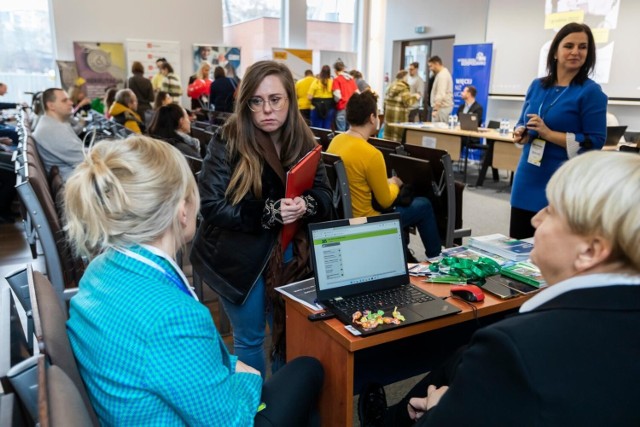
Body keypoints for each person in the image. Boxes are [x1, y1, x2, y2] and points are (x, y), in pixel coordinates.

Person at [64, 136, 324, 426]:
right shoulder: (172, 316)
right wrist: (248, 377)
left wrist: (230, 364)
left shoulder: (99, 269)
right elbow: (232, 420)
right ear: (182, 210)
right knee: (308, 369)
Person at [375, 151, 640, 426]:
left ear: (590, 250)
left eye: (551, 211)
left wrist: (438, 410)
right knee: (457, 358)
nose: (536, 219)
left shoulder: (514, 348)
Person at [191, 60, 334, 377]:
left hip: (289, 252)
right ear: (246, 103)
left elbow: (325, 194)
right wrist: (270, 211)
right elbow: (211, 205)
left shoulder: (303, 139)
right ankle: (256, 410)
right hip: (239, 256)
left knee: (289, 334)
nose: (266, 110)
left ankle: (284, 403)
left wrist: (305, 204)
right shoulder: (228, 139)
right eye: (257, 101)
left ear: (290, 100)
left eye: (275, 100)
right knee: (251, 338)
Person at [510, 22, 607, 239]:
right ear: (555, 51)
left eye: (583, 47)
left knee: (551, 255)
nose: (576, 52)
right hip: (527, 177)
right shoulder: (537, 85)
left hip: (562, 184)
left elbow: (596, 141)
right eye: (569, 45)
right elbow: (521, 122)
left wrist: (549, 134)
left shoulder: (591, 92)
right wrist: (521, 133)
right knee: (516, 250)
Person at [327, 91, 441, 259]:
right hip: (369, 221)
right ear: (372, 117)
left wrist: (385, 182)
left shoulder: (336, 141)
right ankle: (437, 259)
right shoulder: (371, 154)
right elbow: (385, 200)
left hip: (344, 217)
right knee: (423, 205)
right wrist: (395, 182)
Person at [32, 88, 85, 181]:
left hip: (77, 178)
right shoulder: (51, 130)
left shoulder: (56, 124)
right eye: (64, 100)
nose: (71, 103)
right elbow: (86, 160)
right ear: (51, 106)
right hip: (77, 183)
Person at [383, 70, 420, 142]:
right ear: (405, 77)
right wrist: (416, 97)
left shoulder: (390, 87)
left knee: (389, 142)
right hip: (399, 120)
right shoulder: (404, 88)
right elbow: (408, 102)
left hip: (389, 120)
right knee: (398, 142)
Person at [332, 60, 359, 131]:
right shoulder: (351, 79)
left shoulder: (337, 80)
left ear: (335, 71)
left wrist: (335, 102)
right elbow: (357, 93)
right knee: (350, 130)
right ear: (344, 69)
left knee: (341, 131)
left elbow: (337, 96)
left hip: (342, 107)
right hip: (351, 107)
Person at [307, 65, 334, 129]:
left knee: (317, 128)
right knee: (327, 128)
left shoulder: (316, 82)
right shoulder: (332, 82)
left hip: (316, 107)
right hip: (329, 107)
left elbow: (309, 97)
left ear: (321, 72)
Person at [427, 56, 453, 123]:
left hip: (441, 109)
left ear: (437, 64)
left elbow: (440, 94)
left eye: (431, 66)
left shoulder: (442, 76)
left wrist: (435, 110)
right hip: (440, 108)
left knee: (439, 131)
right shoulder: (440, 74)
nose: (430, 69)